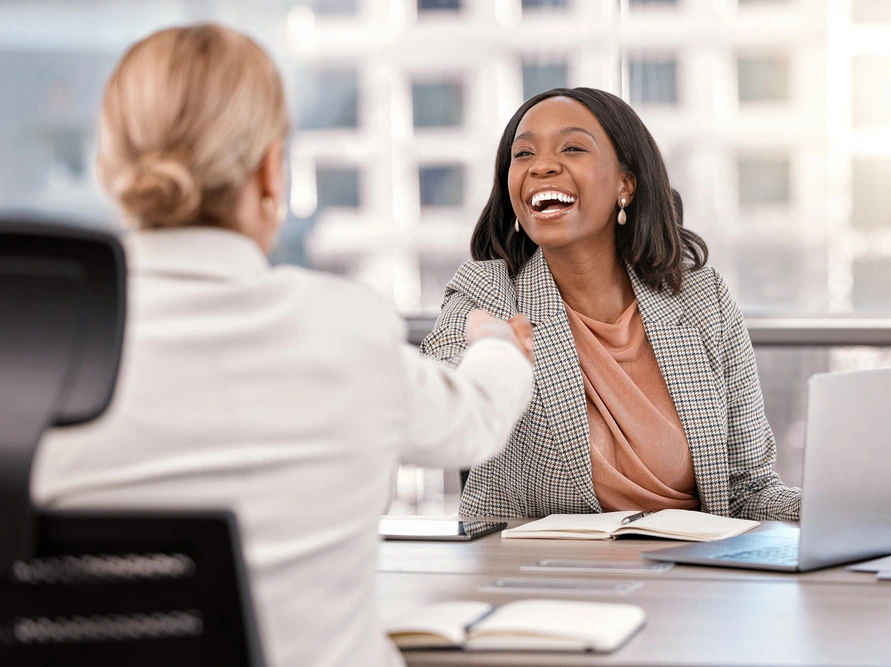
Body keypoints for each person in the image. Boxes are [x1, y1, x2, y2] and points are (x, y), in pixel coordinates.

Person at [31, 25, 534, 667]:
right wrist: (496, 340)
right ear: (272, 171)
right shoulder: (344, 329)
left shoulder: (35, 350)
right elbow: (475, 421)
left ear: (113, 171)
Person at [421, 87, 801, 521]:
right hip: (537, 575)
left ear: (626, 183)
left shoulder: (702, 298)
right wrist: (488, 349)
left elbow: (748, 489)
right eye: (523, 154)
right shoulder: (488, 292)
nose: (541, 165)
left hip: (689, 576)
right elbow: (436, 402)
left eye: (572, 147)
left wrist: (835, 508)